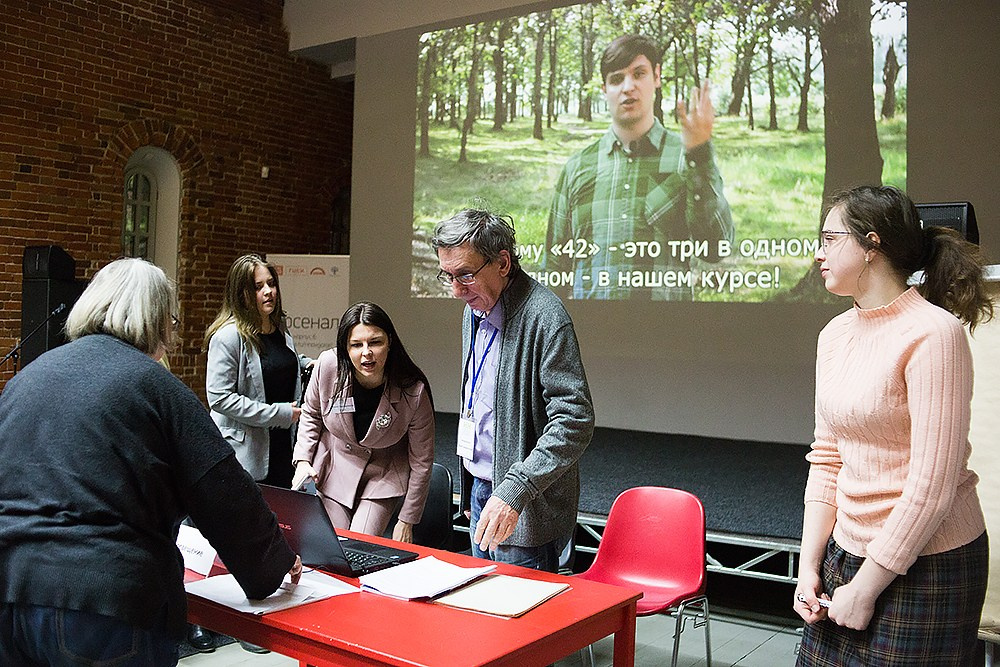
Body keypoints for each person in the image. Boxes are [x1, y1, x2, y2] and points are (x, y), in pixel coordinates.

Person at [0, 258, 301, 667]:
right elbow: (224, 492)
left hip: (11, 592)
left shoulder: (26, 380)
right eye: (171, 321)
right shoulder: (156, 387)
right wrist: (273, 565)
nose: (173, 334)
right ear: (156, 319)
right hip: (104, 604)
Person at [794, 185, 993, 666]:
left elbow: (932, 485)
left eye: (829, 238)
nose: (819, 253)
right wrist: (808, 567)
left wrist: (866, 587)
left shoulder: (933, 333)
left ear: (871, 245)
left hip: (929, 561)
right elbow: (827, 458)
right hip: (848, 550)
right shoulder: (835, 334)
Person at [432, 209, 595, 572]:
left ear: (503, 262)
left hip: (524, 504)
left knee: (520, 624)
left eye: (466, 275)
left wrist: (515, 489)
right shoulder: (475, 309)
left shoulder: (546, 317)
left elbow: (575, 421)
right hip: (481, 489)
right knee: (483, 617)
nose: (458, 290)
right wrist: (476, 483)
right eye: (449, 277)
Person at [544, 34, 734, 300]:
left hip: (667, 334)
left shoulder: (687, 158)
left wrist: (700, 156)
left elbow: (716, 250)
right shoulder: (577, 167)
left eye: (639, 74)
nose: (628, 87)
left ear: (656, 77)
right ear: (604, 89)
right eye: (616, 79)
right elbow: (554, 268)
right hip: (591, 335)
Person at [291, 302, 435, 542]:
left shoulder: (413, 391)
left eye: (375, 342)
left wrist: (407, 519)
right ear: (345, 348)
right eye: (356, 345)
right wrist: (303, 460)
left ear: (389, 342)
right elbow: (312, 414)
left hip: (382, 477)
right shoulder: (328, 366)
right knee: (331, 546)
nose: (366, 352)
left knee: (358, 547)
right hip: (335, 469)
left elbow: (422, 461)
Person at [205, 253, 310, 488]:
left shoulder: (278, 326)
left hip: (283, 447)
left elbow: (280, 362)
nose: (268, 291)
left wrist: (309, 363)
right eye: (258, 286)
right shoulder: (228, 336)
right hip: (245, 456)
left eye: (271, 284)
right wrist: (277, 414)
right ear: (241, 293)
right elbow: (220, 398)